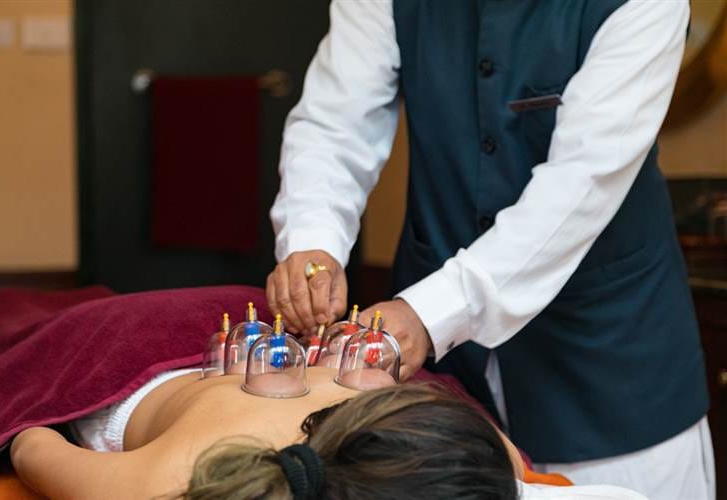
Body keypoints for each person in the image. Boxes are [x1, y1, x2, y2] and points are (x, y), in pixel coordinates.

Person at [265, 1, 715, 498]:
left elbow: (580, 186)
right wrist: (313, 240)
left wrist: (429, 313)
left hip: (609, 364)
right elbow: (336, 123)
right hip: (446, 380)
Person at [10, 368, 645, 499]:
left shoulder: (475, 445)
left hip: (270, 352)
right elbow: (29, 444)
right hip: (143, 364)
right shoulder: (170, 479)